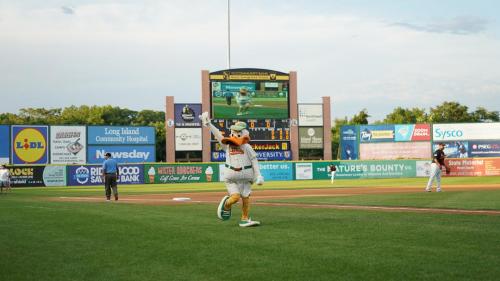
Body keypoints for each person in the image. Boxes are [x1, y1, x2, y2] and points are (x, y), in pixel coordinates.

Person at [201, 111, 264, 227]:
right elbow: (218, 135)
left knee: (246, 197)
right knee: (235, 197)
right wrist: (209, 124)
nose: (236, 134)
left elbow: (254, 160)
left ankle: (244, 219)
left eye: (239, 132)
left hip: (245, 176)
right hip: (231, 176)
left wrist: (258, 175)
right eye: (234, 132)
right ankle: (226, 205)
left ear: (244, 133)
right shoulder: (227, 145)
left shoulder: (247, 147)